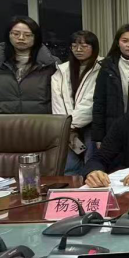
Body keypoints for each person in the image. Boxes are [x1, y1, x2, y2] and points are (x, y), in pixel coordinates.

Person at [0, 16, 57, 114]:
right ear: (8, 35)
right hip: (1, 121)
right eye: (16, 34)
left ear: (36, 38)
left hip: (38, 121)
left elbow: (58, 98)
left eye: (27, 35)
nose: (21, 38)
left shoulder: (51, 64)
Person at [51, 30, 102, 175]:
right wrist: (64, 125)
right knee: (69, 167)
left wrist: (70, 125)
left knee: (91, 165)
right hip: (66, 127)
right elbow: (57, 100)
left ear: (94, 47)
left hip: (91, 125)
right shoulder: (61, 70)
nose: (78, 50)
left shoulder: (102, 67)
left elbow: (92, 101)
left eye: (84, 46)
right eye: (74, 46)